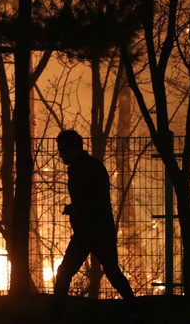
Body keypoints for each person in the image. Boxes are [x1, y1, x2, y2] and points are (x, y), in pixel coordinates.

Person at [50, 130, 135, 320]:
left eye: (63, 150)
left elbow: (96, 200)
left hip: (95, 231)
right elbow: (94, 199)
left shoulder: (88, 168)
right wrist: (76, 209)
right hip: (91, 231)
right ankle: (133, 307)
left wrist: (76, 209)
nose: (61, 154)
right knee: (109, 271)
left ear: (75, 148)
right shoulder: (84, 167)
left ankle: (54, 314)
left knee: (105, 272)